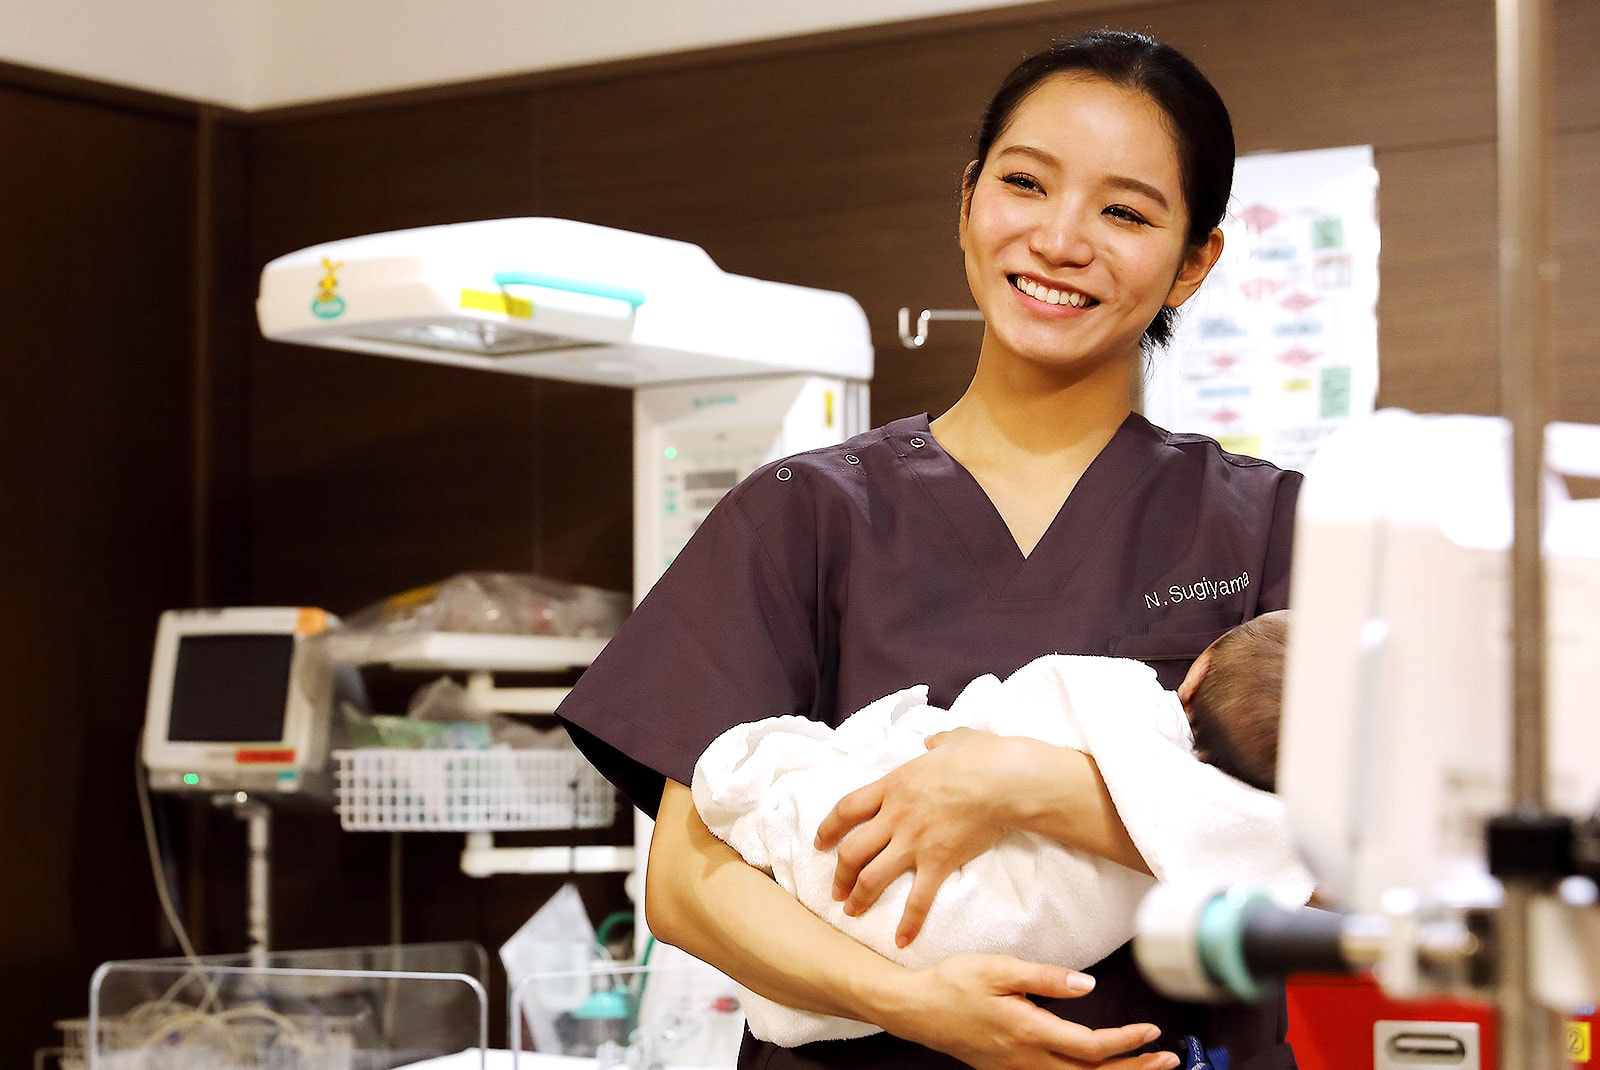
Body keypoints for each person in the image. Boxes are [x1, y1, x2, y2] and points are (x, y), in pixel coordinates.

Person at [558, 27, 1303, 1070]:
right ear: (967, 202)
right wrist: (913, 1000)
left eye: (1124, 211)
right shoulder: (802, 512)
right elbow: (683, 885)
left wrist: (1024, 784)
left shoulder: (1271, 526)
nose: (1059, 239)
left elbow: (1340, 863)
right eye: (1025, 184)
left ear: (1191, 263)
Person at [692, 612, 1304, 1046]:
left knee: (830, 818)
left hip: (887, 884)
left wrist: (1015, 776)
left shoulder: (1124, 695)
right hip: (994, 962)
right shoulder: (1235, 838)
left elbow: (1009, 708)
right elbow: (1308, 867)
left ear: (1195, 674)